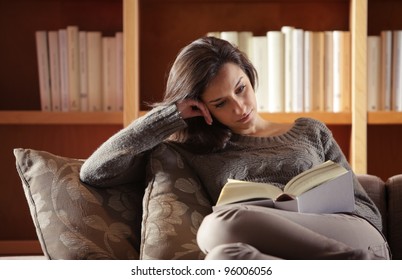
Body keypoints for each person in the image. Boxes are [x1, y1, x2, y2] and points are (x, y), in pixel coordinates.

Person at [80, 36, 390, 260]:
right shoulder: (194, 151)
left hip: (352, 234)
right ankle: (340, 266)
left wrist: (304, 212)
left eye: (241, 88)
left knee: (220, 226)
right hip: (278, 251)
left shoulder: (310, 130)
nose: (240, 107)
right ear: (201, 108)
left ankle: (354, 262)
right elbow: (95, 171)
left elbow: (367, 212)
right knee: (221, 256)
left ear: (250, 76)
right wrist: (168, 115)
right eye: (220, 103)